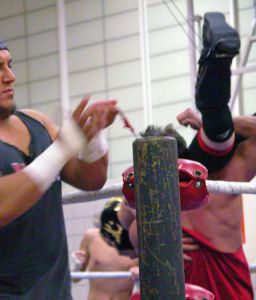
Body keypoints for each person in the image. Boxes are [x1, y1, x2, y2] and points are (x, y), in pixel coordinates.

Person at [0, 24, 119, 299]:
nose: (10, 77)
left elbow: (91, 180)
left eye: (9, 65)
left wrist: (93, 136)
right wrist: (62, 148)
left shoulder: (36, 123)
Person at [106, 12, 256, 300]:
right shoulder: (231, 172)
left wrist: (151, 234)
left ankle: (214, 104)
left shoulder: (146, 197)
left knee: (217, 137)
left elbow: (126, 222)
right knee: (218, 133)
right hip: (208, 286)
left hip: (193, 284)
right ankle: (215, 100)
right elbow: (128, 223)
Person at [71, 198, 138, 300]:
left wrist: (140, 276)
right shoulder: (91, 237)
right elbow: (75, 279)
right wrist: (77, 265)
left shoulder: (136, 245)